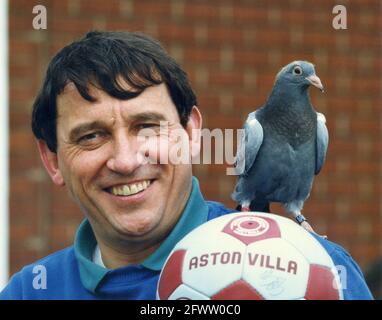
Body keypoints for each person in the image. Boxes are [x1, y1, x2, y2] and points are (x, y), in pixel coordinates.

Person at [0, 31, 373, 299]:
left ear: (192, 133)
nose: (127, 161)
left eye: (147, 126)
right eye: (91, 136)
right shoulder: (30, 290)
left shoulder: (316, 274)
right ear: (52, 160)